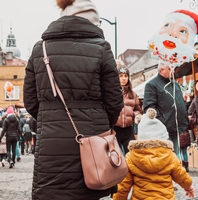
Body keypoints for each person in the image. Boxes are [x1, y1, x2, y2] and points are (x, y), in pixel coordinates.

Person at [23, 0, 124, 199]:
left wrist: (49, 116)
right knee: (90, 187)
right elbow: (114, 101)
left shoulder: (40, 48)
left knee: (53, 192)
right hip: (93, 142)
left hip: (51, 143)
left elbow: (30, 101)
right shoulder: (101, 48)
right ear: (93, 22)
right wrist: (101, 126)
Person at [113, 108, 194, 200]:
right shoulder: (170, 156)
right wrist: (188, 186)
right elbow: (181, 176)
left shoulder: (131, 157)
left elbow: (123, 185)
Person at [143, 62, 188, 157]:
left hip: (178, 128)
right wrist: (162, 121)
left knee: (176, 157)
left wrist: (184, 117)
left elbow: (181, 102)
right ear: (161, 70)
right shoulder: (152, 85)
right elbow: (149, 108)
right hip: (164, 130)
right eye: (169, 68)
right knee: (166, 157)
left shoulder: (175, 84)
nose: (172, 71)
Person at [114, 63, 142, 154]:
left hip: (128, 129)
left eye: (125, 76)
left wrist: (136, 115)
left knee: (132, 155)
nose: (123, 78)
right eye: (121, 76)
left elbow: (137, 109)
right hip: (115, 129)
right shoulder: (112, 92)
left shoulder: (132, 94)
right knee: (116, 156)